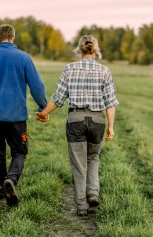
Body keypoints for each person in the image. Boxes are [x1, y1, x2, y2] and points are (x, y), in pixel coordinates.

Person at [36, 35, 119, 216]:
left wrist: (43, 113)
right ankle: (93, 192)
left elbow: (58, 98)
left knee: (78, 164)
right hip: (98, 121)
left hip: (75, 120)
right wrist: (111, 127)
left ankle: (81, 206)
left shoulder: (69, 69)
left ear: (79, 50)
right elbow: (110, 103)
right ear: (96, 50)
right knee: (93, 158)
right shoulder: (105, 71)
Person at [0, 24, 48, 207]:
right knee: (19, 151)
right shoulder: (23, 58)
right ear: (13, 37)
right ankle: (11, 180)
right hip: (17, 118)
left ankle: (1, 192)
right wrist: (43, 107)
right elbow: (36, 86)